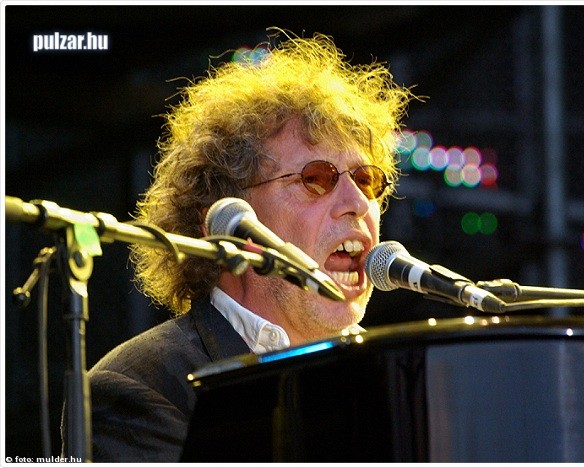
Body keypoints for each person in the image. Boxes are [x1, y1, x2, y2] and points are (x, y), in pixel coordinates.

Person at [61, 30, 416, 462]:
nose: (358, 203)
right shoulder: (139, 388)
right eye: (317, 179)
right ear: (225, 221)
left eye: (367, 180)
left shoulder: (399, 381)